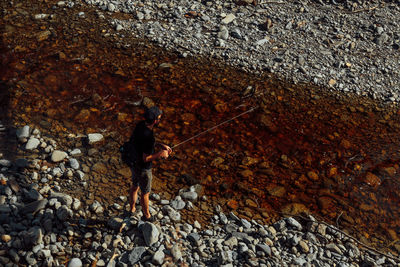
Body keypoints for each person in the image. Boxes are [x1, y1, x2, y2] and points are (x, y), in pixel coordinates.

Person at [128, 106, 172, 222]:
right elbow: (146, 158)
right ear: (155, 121)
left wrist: (159, 145)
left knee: (134, 187)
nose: (160, 119)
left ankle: (131, 209)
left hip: (133, 162)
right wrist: (160, 154)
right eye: (159, 118)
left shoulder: (140, 125)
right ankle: (147, 216)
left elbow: (143, 143)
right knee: (145, 193)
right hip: (143, 168)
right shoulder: (149, 137)